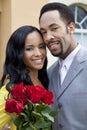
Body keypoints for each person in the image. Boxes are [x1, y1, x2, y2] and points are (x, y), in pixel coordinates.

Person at [39, 2, 87, 130]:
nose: (48, 37)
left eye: (54, 28)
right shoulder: (48, 74)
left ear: (71, 28)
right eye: (43, 32)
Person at [0, 25, 49, 130]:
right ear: (18, 53)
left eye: (41, 46)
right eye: (29, 49)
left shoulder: (48, 80)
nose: (38, 53)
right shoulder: (11, 91)